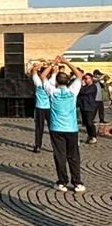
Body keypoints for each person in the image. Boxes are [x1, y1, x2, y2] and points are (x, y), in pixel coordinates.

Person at [44, 55, 85, 192]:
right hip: (71, 128)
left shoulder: (53, 92)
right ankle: (77, 182)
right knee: (73, 155)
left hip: (56, 128)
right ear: (68, 81)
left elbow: (43, 77)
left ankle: (62, 181)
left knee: (60, 155)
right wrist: (66, 62)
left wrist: (52, 64)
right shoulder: (72, 91)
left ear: (56, 81)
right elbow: (79, 75)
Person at [30, 62, 51, 153]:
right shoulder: (51, 83)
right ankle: (56, 145)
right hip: (50, 108)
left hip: (40, 107)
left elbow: (34, 70)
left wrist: (43, 64)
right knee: (53, 128)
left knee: (39, 128)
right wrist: (51, 64)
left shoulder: (38, 82)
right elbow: (55, 70)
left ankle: (38, 145)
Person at [78, 73, 99, 144]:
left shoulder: (93, 87)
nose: (86, 80)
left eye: (87, 78)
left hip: (90, 107)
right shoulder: (85, 86)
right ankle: (89, 135)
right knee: (86, 123)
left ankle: (93, 136)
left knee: (90, 122)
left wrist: (81, 85)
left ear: (91, 79)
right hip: (83, 107)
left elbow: (83, 92)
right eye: (85, 78)